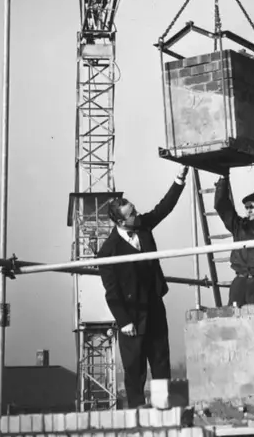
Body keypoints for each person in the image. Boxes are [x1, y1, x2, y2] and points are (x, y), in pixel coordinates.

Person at [97, 166, 188, 408]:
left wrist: (178, 180)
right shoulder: (109, 251)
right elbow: (112, 291)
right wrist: (124, 320)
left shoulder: (143, 226)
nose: (137, 214)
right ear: (119, 220)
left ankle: (163, 408)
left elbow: (164, 208)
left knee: (160, 361)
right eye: (131, 214)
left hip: (154, 306)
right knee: (134, 367)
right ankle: (137, 411)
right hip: (131, 316)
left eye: (135, 210)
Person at [214, 173, 254, 306]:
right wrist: (223, 180)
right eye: (246, 208)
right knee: (234, 320)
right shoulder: (238, 226)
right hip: (240, 283)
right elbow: (222, 206)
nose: (248, 211)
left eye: (252, 207)